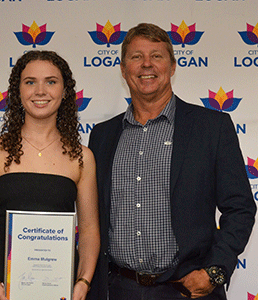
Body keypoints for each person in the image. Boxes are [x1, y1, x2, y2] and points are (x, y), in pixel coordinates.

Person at [88, 23, 256, 300]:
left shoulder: (211, 128)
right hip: (118, 289)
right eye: (136, 56)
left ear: (173, 66)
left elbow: (240, 208)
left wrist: (214, 272)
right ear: (122, 68)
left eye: (156, 56)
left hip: (187, 290)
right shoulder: (102, 136)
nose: (146, 65)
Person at [0, 50, 100, 300]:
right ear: (18, 91)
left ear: (65, 91)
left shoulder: (82, 157)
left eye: (51, 81)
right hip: (0, 291)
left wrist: (83, 281)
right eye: (30, 82)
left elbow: (89, 229)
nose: (40, 91)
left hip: (62, 290)